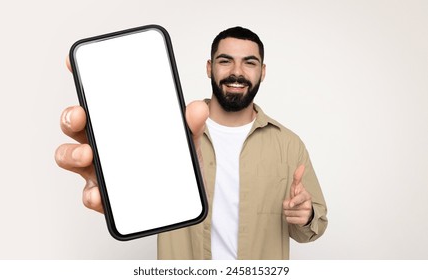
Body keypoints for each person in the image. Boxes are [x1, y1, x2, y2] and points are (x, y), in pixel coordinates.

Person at [55, 26, 328, 260]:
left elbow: (313, 227)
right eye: (225, 61)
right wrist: (119, 182)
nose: (237, 72)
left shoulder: (289, 144)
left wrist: (304, 215)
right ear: (209, 67)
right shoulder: (169, 132)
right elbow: (143, 192)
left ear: (262, 71)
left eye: (249, 62)